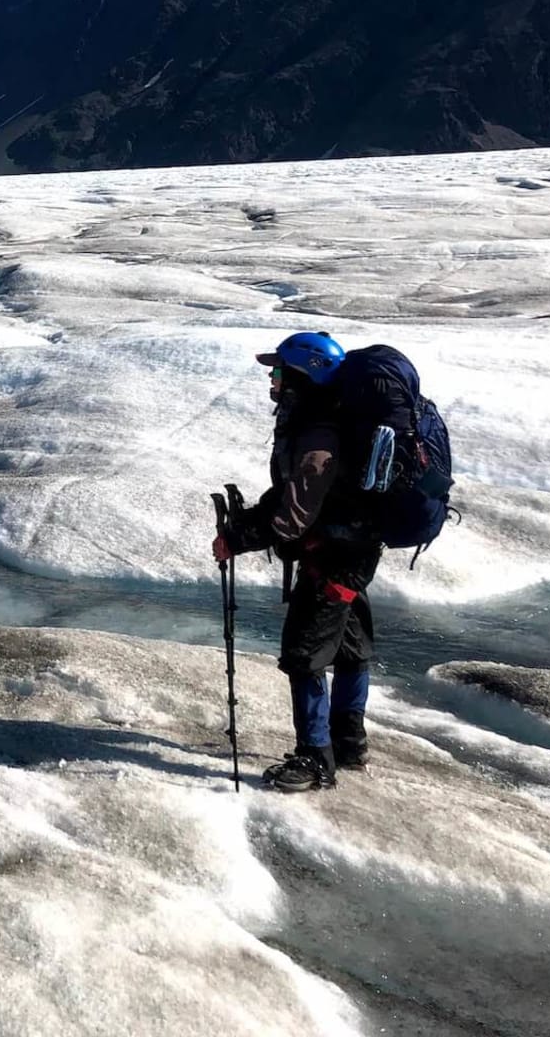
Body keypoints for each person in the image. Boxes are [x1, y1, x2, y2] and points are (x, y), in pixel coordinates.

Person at [212, 331, 379, 791]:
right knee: (350, 648)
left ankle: (315, 760)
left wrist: (239, 537)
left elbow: (294, 517)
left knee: (304, 655)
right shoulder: (323, 420)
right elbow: (290, 496)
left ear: (305, 374)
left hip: (333, 562)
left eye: (280, 371)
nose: (273, 379)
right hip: (351, 556)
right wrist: (250, 521)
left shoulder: (319, 434)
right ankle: (349, 742)